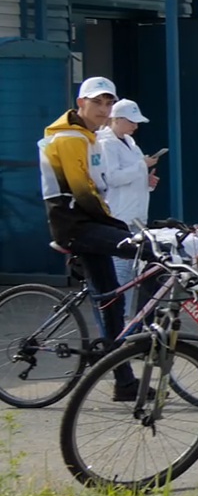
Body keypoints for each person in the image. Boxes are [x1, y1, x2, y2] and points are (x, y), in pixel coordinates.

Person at [39, 76, 139, 398]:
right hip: (74, 225)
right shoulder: (70, 138)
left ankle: (123, 382)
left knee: (111, 300)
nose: (103, 108)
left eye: (109, 103)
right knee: (141, 250)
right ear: (81, 103)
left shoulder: (90, 137)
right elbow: (82, 191)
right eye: (97, 102)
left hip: (88, 222)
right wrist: (117, 226)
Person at [94, 99, 160, 285]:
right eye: (131, 121)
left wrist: (148, 182)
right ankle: (119, 313)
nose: (135, 126)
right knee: (121, 270)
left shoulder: (130, 143)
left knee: (131, 270)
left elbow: (132, 178)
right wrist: (141, 166)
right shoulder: (107, 144)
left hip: (136, 215)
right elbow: (113, 178)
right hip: (120, 214)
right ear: (116, 119)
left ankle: (124, 313)